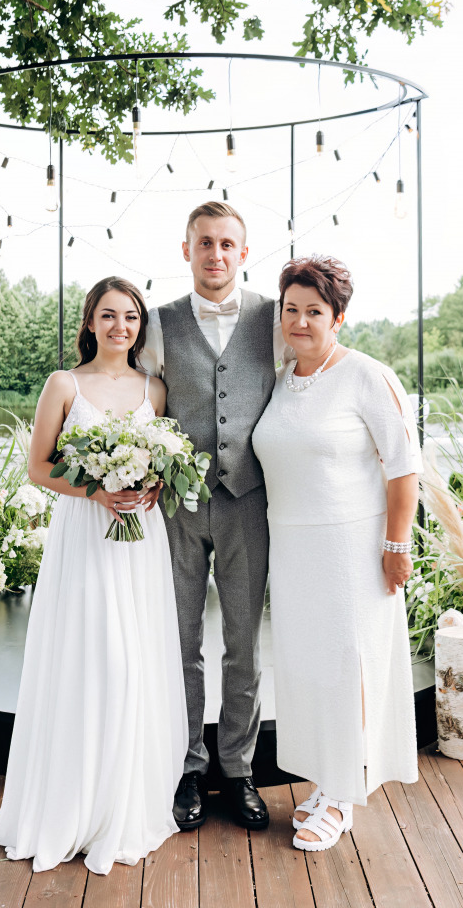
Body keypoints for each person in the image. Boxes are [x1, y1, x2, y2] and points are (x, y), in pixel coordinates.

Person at [0, 276, 188, 875]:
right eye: (110, 315)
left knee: (135, 663)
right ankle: (72, 804)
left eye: (132, 317)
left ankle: (124, 802)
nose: (122, 327)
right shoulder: (64, 384)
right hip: (84, 538)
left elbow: (163, 465)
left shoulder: (156, 389)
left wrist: (150, 484)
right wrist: (98, 490)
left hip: (139, 543)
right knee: (92, 659)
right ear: (90, 322)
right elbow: (38, 467)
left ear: (141, 326)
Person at [252, 255, 421, 852]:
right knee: (311, 671)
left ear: (339, 317)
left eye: (314, 311)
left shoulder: (368, 377)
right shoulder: (279, 378)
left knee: (350, 668)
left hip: (353, 550)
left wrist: (395, 546)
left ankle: (346, 797)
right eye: (290, 309)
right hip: (294, 549)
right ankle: (328, 781)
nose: (300, 321)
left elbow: (404, 469)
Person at [140, 201, 284, 831]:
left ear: (244, 252)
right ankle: (188, 766)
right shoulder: (158, 322)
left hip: (247, 501)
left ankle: (239, 767)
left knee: (243, 644)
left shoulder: (275, 318)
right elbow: (138, 403)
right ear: (187, 250)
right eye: (205, 243)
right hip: (176, 504)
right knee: (180, 641)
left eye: (228, 244)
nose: (216, 255)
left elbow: (311, 377)